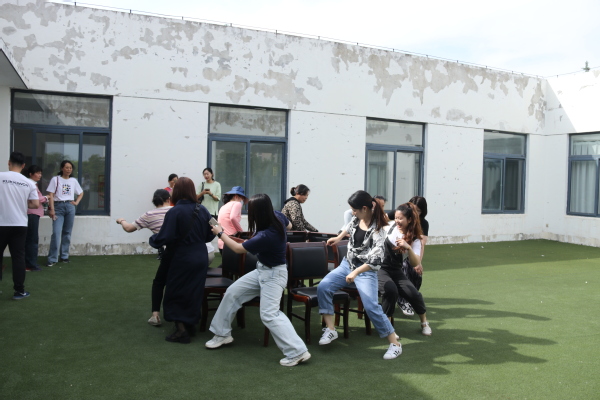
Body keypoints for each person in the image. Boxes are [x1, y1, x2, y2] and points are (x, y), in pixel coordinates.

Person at [206, 194, 311, 367]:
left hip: (274, 275)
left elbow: (237, 249)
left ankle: (297, 351)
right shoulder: (277, 216)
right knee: (232, 293)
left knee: (269, 314)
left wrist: (220, 233)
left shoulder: (267, 234)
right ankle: (222, 334)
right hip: (262, 270)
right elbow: (289, 225)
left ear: (258, 213)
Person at [319, 190, 402, 360]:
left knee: (371, 306)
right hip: (347, 264)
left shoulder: (379, 229)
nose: (352, 213)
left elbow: (375, 261)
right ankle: (331, 329)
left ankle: (395, 344)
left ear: (365, 208)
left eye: (354, 210)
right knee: (323, 287)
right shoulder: (357, 218)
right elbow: (349, 227)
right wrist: (339, 237)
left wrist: (356, 272)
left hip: (365, 270)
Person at [149, 177, 215, 343]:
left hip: (182, 257)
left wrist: (153, 239)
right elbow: (210, 234)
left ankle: (181, 331)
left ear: (176, 191)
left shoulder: (174, 212)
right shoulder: (203, 210)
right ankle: (190, 324)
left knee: (176, 291)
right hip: (200, 255)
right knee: (194, 291)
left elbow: (164, 237)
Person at [116, 189, 172, 327]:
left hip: (169, 253)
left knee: (159, 283)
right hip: (188, 251)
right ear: (168, 199)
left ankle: (155, 315)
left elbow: (129, 228)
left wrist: (122, 220)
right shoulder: (175, 210)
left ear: (154, 201)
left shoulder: (149, 215)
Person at [378, 203, 432, 336]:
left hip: (396, 270)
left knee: (413, 294)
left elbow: (415, 263)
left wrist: (408, 247)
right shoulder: (390, 227)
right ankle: (388, 328)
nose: (397, 221)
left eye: (400, 218)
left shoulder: (415, 238)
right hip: (380, 268)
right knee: (390, 290)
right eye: (396, 217)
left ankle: (424, 323)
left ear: (409, 220)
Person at [0, 152, 39, 300]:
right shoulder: (29, 183)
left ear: (9, 162)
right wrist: (22, 203)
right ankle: (19, 291)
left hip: (1, 223)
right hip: (20, 224)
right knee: (18, 258)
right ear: (23, 166)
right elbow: (35, 204)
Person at [46, 160, 84, 267]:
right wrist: (51, 209)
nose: (69, 170)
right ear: (62, 168)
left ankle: (64, 256)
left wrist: (76, 202)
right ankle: (52, 258)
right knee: (56, 233)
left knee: (67, 232)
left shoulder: (73, 180)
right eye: (66, 167)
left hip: (70, 207)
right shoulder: (55, 179)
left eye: (70, 168)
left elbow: (81, 192)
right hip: (58, 207)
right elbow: (51, 195)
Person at [400, 196, 430, 316]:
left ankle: (410, 298)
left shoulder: (423, 223)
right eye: (414, 210)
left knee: (416, 273)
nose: (416, 213)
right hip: (395, 252)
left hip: (410, 252)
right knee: (404, 270)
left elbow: (421, 244)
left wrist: (418, 263)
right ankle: (402, 301)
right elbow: (384, 218)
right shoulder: (400, 214)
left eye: (419, 211)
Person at [24, 165, 48, 271]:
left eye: (40, 173)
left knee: (31, 239)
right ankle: (30, 264)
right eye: (37, 173)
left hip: (32, 214)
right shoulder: (31, 184)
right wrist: (47, 197)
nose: (40, 175)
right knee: (32, 240)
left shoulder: (32, 184)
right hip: (32, 214)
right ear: (30, 174)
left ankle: (30, 263)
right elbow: (36, 199)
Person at [217, 186, 247, 253]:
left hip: (221, 242)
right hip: (231, 241)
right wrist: (240, 232)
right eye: (242, 198)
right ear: (236, 196)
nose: (242, 200)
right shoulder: (237, 204)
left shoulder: (223, 206)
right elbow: (233, 218)